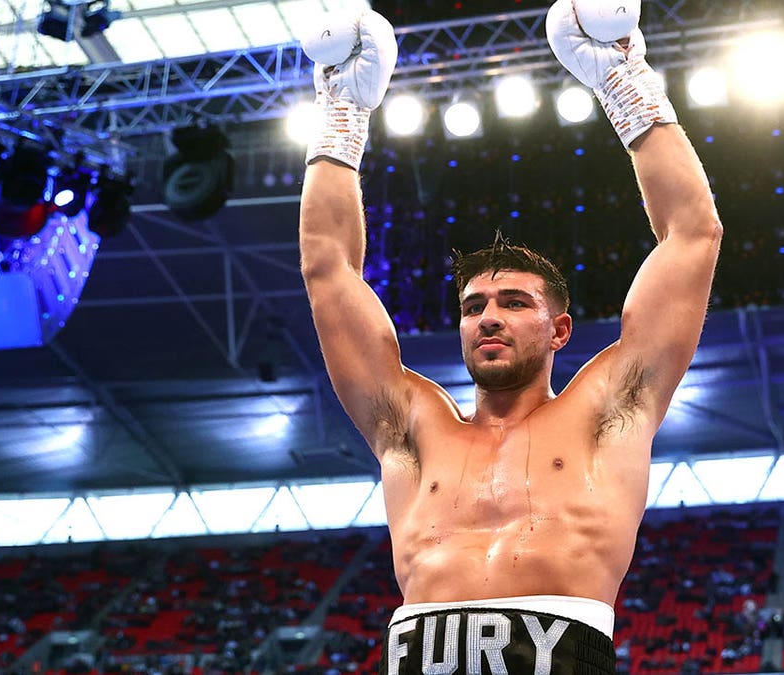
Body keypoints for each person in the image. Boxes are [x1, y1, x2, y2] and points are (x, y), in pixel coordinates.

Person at [299, 1, 723, 672]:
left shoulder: (607, 414)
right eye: (474, 305)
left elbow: (693, 234)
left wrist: (623, 79)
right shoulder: (412, 428)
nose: (488, 315)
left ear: (559, 329)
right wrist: (342, 112)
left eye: (513, 301)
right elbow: (328, 270)